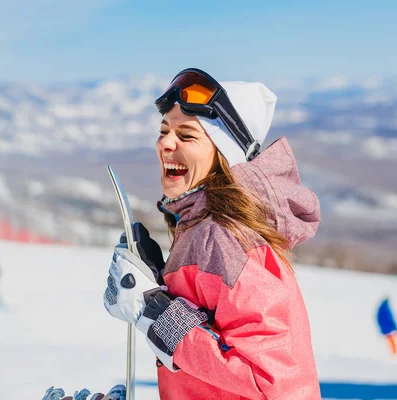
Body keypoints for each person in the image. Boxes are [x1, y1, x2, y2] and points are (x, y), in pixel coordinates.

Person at [103, 68, 321, 399]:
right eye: (164, 130)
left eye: (187, 135)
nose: (166, 142)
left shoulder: (230, 238)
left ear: (223, 156)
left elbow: (270, 382)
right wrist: (158, 283)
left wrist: (154, 311)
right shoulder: (200, 226)